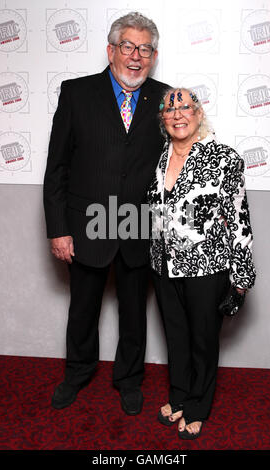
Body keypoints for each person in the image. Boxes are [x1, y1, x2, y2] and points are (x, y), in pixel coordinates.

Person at [43, 12, 168, 415]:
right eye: (128, 46)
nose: (136, 56)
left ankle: (129, 379)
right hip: (86, 224)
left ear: (152, 54)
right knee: (83, 308)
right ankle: (77, 373)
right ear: (111, 49)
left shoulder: (165, 98)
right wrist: (58, 229)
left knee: (134, 311)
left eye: (145, 48)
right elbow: (57, 167)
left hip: (138, 226)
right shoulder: (77, 93)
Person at [147, 87, 256, 438]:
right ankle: (179, 395)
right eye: (170, 109)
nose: (178, 115)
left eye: (185, 108)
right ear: (162, 119)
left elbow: (239, 220)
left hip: (207, 267)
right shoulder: (158, 158)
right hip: (164, 264)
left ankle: (197, 405)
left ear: (198, 113)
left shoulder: (224, 158)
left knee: (203, 340)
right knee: (175, 336)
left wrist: (241, 280)